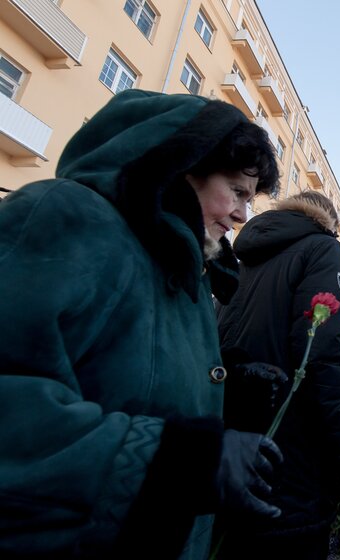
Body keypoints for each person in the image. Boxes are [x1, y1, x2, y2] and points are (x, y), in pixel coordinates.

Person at [0, 89, 284, 559]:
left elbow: (130, 375)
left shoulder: (187, 266)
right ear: (183, 165)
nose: (241, 215)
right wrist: (176, 462)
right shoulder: (67, 216)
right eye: (236, 192)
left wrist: (225, 392)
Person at [217, 191, 340, 559]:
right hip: (293, 451)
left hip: (234, 447)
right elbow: (319, 356)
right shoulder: (323, 249)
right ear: (329, 222)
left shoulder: (245, 259)